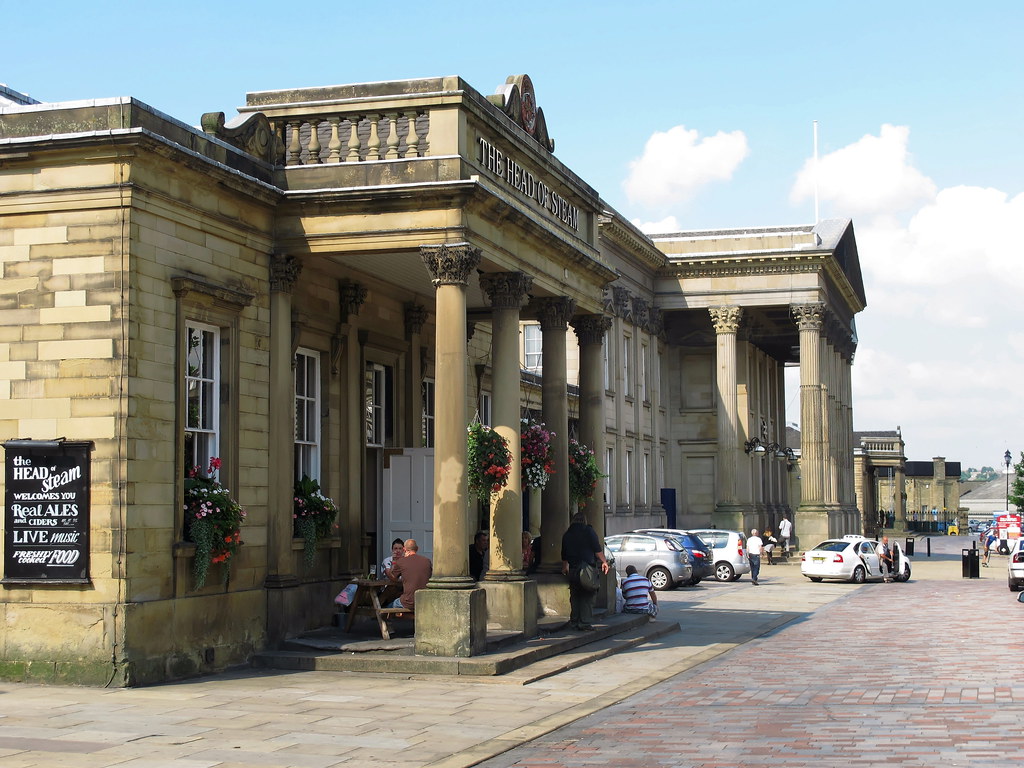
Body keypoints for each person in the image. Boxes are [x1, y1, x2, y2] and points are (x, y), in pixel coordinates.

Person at [560, 512, 610, 631]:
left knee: (575, 596)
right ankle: (584, 622)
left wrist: (565, 566)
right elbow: (597, 549)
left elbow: (564, 554)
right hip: (586, 569)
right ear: (584, 520)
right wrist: (604, 561)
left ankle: (574, 621)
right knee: (587, 595)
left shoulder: (567, 534)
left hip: (573, 569)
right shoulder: (588, 531)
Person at [388, 539, 431, 611]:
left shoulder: (401, 561)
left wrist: (394, 561)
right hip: (424, 601)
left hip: (408, 602)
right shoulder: (427, 561)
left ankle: (381, 616)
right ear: (417, 549)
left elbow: (392, 577)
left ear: (404, 549)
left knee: (389, 606)